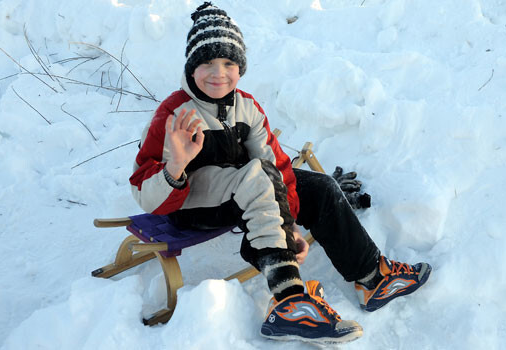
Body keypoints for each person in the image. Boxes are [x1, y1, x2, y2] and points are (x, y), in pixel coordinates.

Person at [129, 2, 432, 345]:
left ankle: (372, 277)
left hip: (247, 191)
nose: (219, 73)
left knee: (316, 187)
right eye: (207, 63)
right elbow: (144, 192)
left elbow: (278, 168)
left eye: (229, 63)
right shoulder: (173, 114)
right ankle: (289, 301)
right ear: (191, 67)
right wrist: (175, 166)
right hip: (190, 207)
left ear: (240, 68)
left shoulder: (246, 106)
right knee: (257, 177)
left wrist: (285, 226)